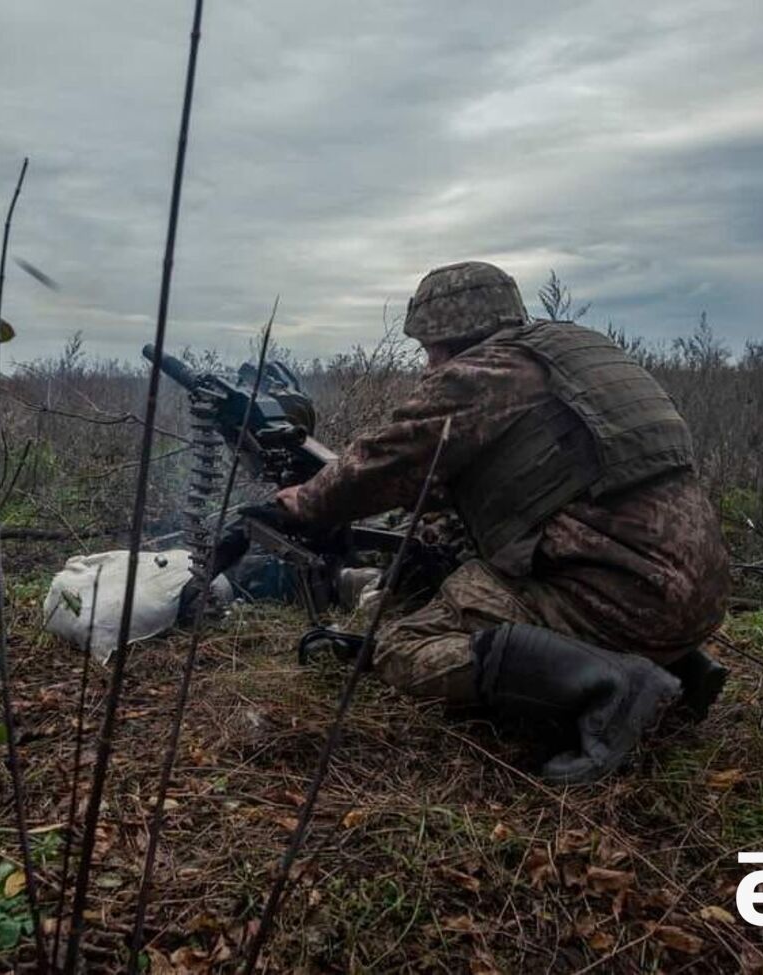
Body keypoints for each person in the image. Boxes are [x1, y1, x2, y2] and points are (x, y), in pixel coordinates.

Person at [266, 261, 732, 784]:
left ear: (446, 338)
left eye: (427, 350)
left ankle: (615, 686)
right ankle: (676, 664)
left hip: (621, 598)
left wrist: (305, 502)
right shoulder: (574, 354)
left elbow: (387, 460)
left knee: (401, 646)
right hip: (694, 592)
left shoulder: (485, 374)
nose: (426, 366)